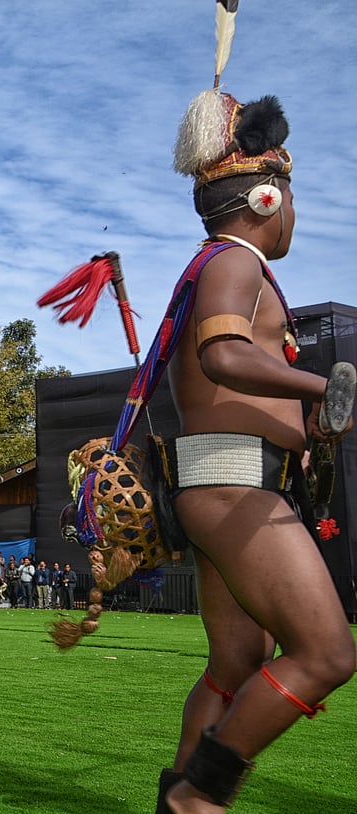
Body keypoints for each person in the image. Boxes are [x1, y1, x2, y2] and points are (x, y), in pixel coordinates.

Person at [151, 25, 355, 811]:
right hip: (234, 484)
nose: (297, 214)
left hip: (222, 482)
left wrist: (308, 432)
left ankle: (177, 799)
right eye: (293, 197)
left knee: (237, 664)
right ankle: (197, 797)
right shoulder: (237, 264)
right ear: (267, 196)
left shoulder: (226, 267)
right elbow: (223, 358)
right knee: (328, 652)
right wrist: (316, 388)